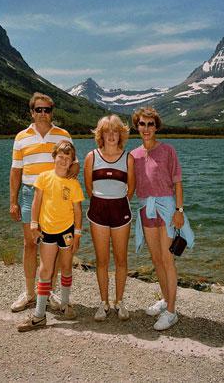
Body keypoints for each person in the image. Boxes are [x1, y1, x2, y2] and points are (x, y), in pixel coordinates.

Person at [9, 92, 79, 313]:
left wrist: (68, 180)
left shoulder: (63, 135)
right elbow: (16, 171)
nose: (42, 113)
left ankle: (47, 292)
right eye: (38, 109)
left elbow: (74, 165)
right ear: (31, 112)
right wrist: (13, 201)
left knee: (56, 246)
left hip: (56, 197)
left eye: (46, 109)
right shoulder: (21, 137)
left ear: (52, 112)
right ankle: (30, 293)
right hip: (31, 194)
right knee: (30, 244)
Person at [130, 106, 195, 331]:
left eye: (150, 124)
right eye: (142, 124)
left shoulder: (168, 150)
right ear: (136, 126)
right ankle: (166, 300)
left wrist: (179, 210)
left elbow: (177, 182)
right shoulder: (134, 155)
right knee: (156, 259)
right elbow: (130, 187)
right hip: (145, 209)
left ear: (156, 127)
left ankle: (172, 312)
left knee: (168, 260)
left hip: (167, 208)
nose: (146, 128)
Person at [17, 141, 85, 332]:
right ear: (54, 157)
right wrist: (33, 224)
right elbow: (36, 202)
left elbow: (78, 210)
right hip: (47, 231)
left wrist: (78, 234)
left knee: (65, 267)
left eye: (68, 158)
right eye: (61, 157)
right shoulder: (44, 177)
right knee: (45, 270)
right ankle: (39, 316)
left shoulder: (73, 183)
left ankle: (65, 303)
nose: (64, 161)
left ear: (72, 161)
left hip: (67, 233)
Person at [83, 115, 134, 322]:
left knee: (121, 260)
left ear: (121, 134)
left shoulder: (128, 158)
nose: (111, 135)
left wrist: (118, 201)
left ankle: (119, 302)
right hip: (98, 213)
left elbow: (131, 189)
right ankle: (103, 303)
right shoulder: (91, 157)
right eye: (107, 131)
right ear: (100, 135)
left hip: (121, 211)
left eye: (115, 131)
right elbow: (89, 188)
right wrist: (104, 200)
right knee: (102, 260)